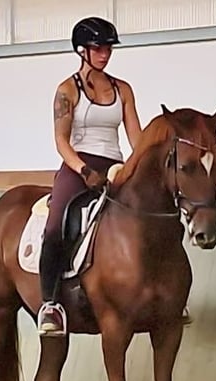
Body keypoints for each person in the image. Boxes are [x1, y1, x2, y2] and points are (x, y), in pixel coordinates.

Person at [36, 16, 143, 336]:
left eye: (108, 48)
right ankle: (50, 304)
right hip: (78, 165)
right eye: (98, 48)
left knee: (154, 213)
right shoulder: (67, 91)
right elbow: (61, 141)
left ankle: (167, 295)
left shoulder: (123, 89)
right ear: (82, 50)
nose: (105, 54)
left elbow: (136, 135)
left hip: (115, 164)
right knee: (55, 224)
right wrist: (83, 170)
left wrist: (140, 165)